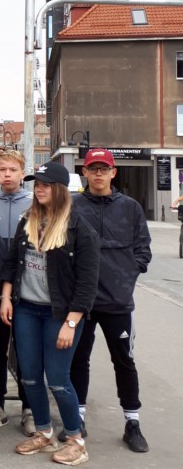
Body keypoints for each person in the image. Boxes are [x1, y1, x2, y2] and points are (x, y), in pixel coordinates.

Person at [0, 162, 99, 466]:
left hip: (60, 314)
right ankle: (44, 433)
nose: (39, 189)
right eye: (37, 184)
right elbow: (11, 262)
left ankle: (76, 441)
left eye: (45, 185)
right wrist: (6, 298)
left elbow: (87, 284)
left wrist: (71, 322)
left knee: (57, 379)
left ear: (59, 189)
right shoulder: (28, 220)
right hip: (26, 310)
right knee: (29, 377)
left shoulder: (79, 228)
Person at [69, 148, 152, 453]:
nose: (99, 174)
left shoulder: (130, 208)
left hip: (118, 302)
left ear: (113, 173)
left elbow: (143, 250)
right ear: (85, 172)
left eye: (104, 169)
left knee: (124, 361)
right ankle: (77, 417)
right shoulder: (74, 206)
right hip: (82, 302)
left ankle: (132, 423)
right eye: (93, 169)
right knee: (78, 359)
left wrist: (125, 277)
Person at [0, 150, 33, 435]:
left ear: (22, 172)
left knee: (25, 351)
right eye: (3, 170)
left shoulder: (35, 202)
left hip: (28, 290)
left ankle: (29, 408)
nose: (8, 174)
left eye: (13, 170)